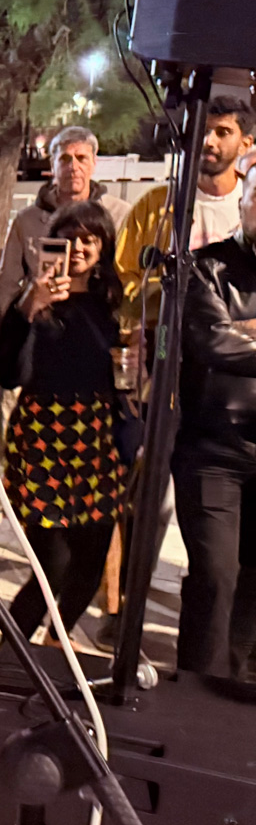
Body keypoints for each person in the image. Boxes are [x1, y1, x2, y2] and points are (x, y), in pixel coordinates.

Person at [0, 126, 132, 549]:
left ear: (94, 163)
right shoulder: (28, 220)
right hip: (36, 350)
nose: (72, 167)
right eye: (64, 158)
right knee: (5, 437)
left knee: (85, 537)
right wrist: (20, 322)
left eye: (81, 158)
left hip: (92, 402)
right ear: (52, 164)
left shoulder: (118, 212)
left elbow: (123, 280)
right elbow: (7, 282)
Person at [0, 201, 126, 643]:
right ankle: (11, 656)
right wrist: (29, 309)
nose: (79, 248)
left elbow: (119, 375)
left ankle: (56, 642)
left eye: (90, 239)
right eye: (69, 239)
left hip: (96, 436)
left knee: (93, 553)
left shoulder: (113, 304)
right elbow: (8, 374)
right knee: (52, 563)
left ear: (104, 247)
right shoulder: (33, 301)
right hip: (42, 436)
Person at [173, 163, 256, 679]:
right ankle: (196, 694)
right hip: (214, 451)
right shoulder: (208, 267)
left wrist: (247, 331)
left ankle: (238, 688)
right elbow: (212, 341)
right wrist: (237, 334)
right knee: (215, 576)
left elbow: (233, 338)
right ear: (242, 204)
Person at [115, 95, 255, 313]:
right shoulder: (153, 205)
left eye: (223, 132)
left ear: (245, 144)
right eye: (203, 130)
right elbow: (124, 279)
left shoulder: (251, 206)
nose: (209, 141)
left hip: (233, 331)